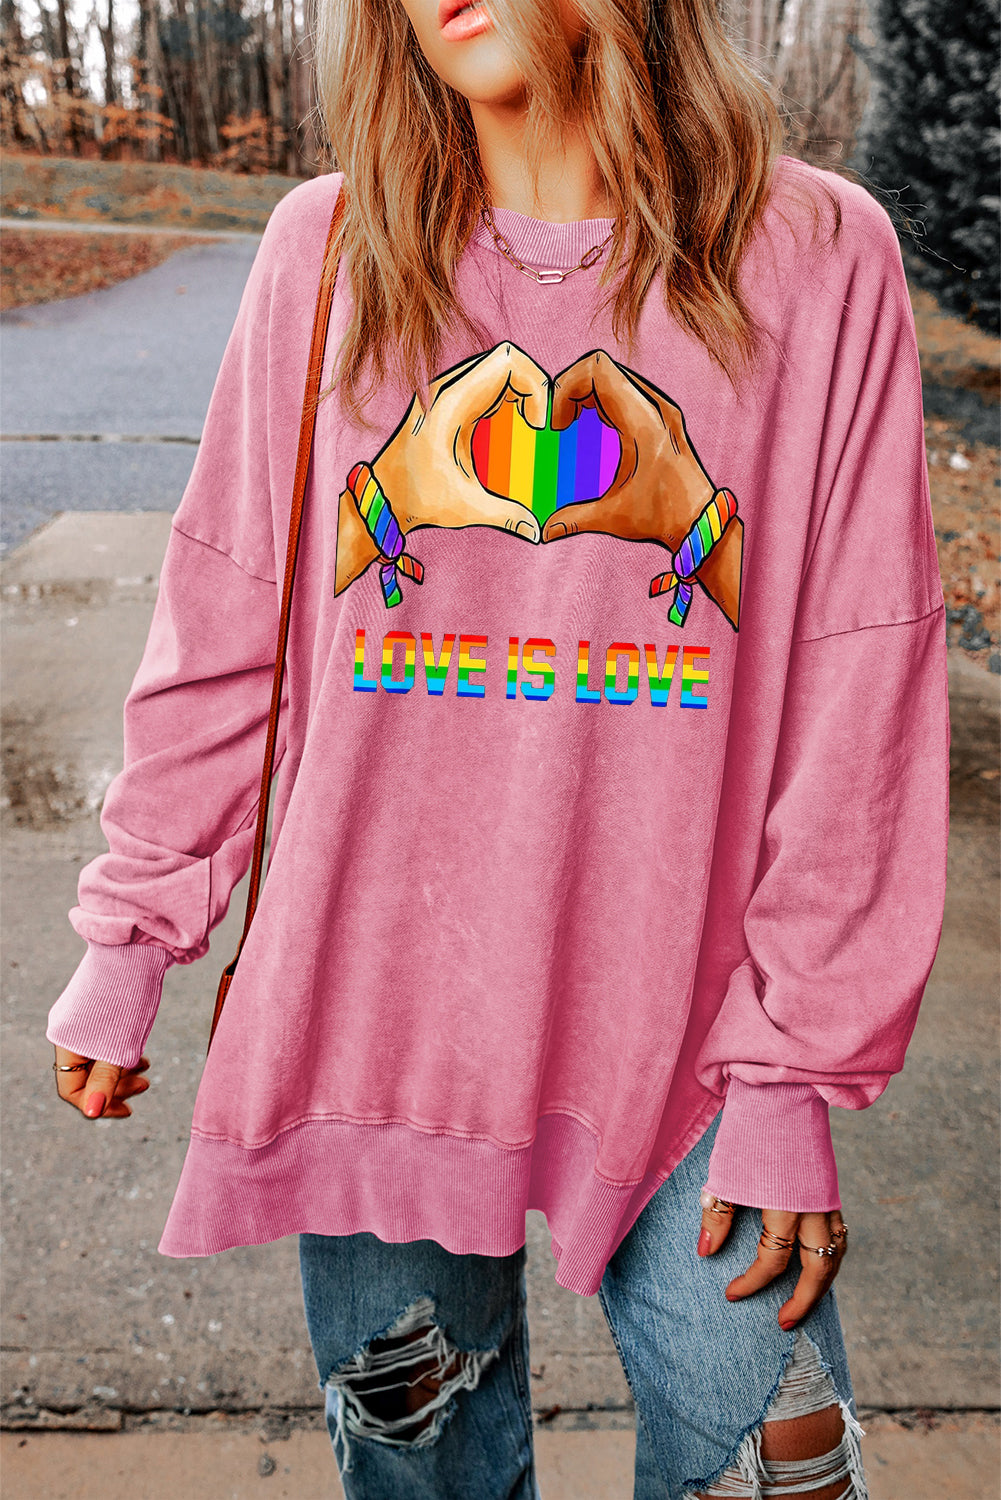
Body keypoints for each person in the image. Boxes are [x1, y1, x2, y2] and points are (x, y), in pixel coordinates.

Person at [47, 1, 949, 1495]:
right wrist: (137, 923)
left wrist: (798, 1066)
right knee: (424, 1453)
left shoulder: (813, 255)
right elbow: (227, 610)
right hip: (377, 999)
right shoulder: (331, 250)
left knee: (778, 1456)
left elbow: (865, 682)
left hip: (687, 1021)